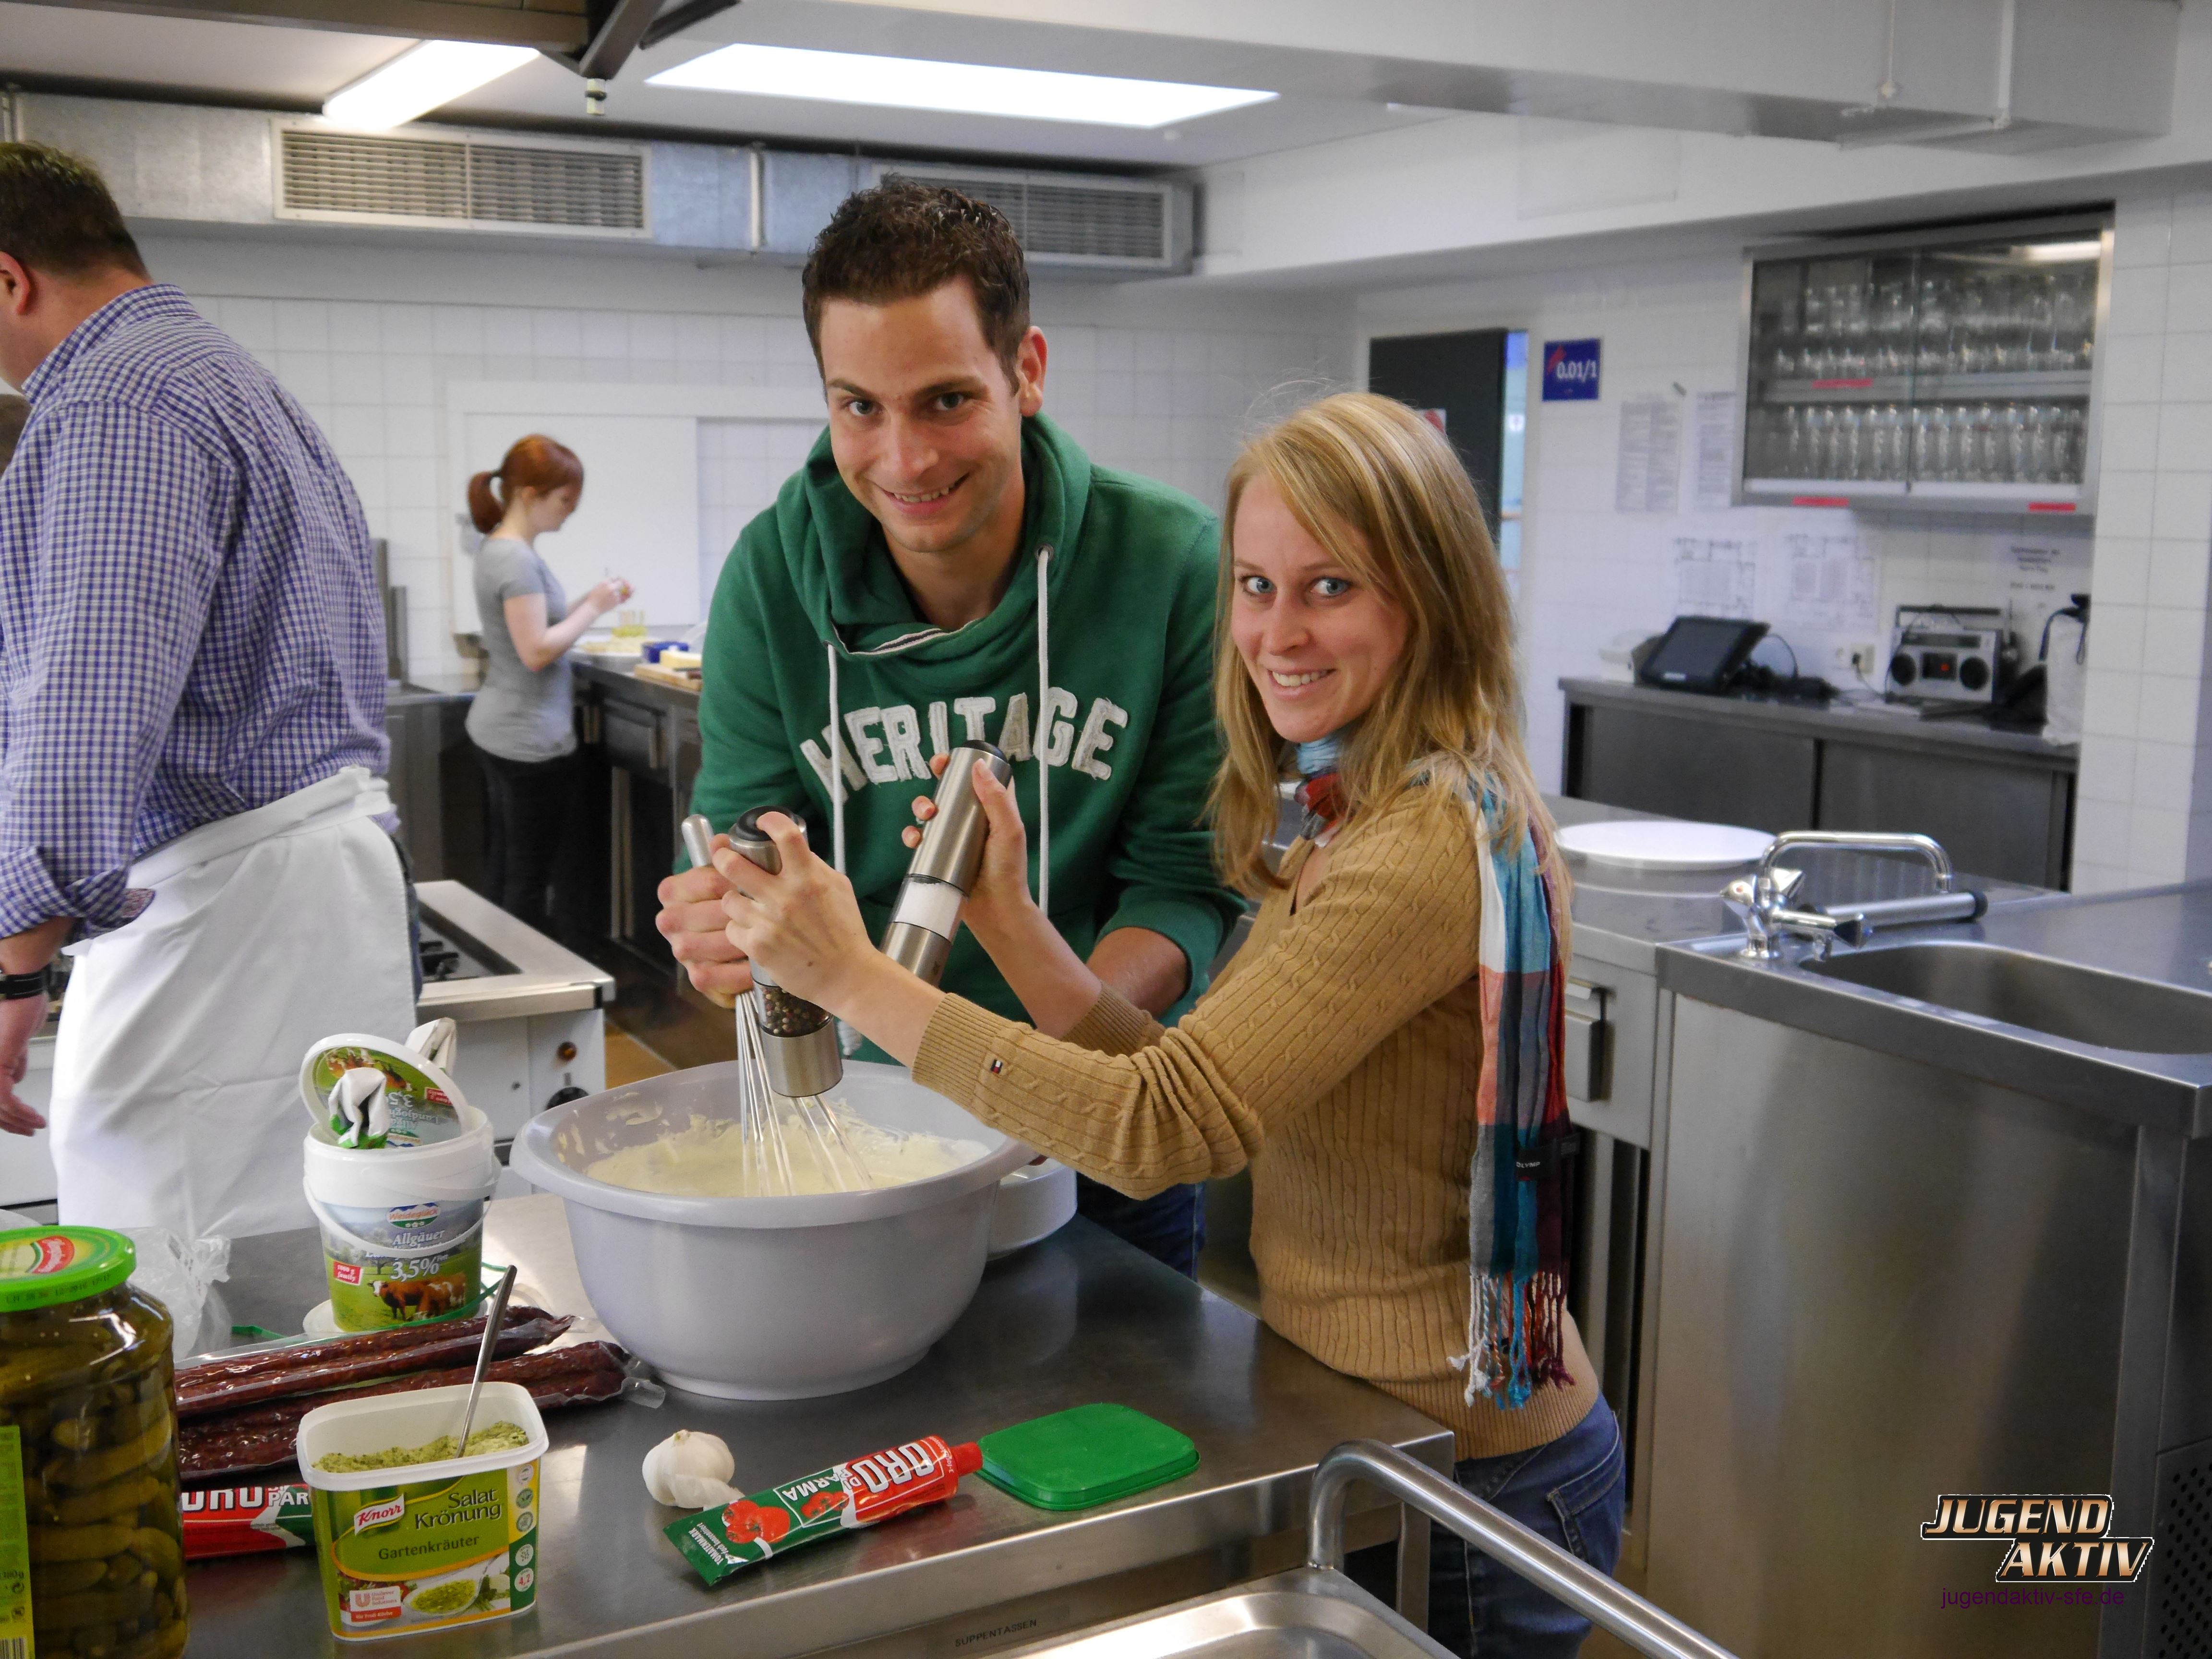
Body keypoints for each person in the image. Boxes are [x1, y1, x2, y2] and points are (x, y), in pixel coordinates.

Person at [711, 393, 1627, 1658]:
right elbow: (1196, 1080)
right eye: (1255, 585)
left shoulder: (1419, 847)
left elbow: (1166, 1129)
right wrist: (1011, 920)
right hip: (1384, 1430)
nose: (1276, 633)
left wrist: (859, 979)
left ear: (1432, 597)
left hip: (1470, 1474)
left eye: (1330, 588)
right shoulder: (1362, 809)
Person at [655, 181, 1242, 1275]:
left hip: (1098, 1126)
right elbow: (746, 849)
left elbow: (1181, 887)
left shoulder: (1173, 565)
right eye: (859, 408)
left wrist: (1023, 1066)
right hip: (858, 1124)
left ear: (1027, 372)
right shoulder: (769, 578)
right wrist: (728, 927)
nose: (904, 459)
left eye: (945, 401)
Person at [0, 142, 414, 1239]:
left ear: (9, 279)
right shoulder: (222, 377)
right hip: (285, 900)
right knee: (307, 1267)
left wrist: (12, 975)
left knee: (178, 1278)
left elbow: (82, 721)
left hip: (224, 918)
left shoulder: (111, 401)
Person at [465, 435, 630, 938]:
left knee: (507, 868)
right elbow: (536, 650)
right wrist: (595, 607)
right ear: (530, 494)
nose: (568, 514)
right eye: (564, 502)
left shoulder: (502, 550)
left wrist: (592, 600)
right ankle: (522, 975)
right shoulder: (515, 560)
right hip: (525, 741)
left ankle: (499, 966)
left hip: (505, 731)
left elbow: (540, 625)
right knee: (527, 879)